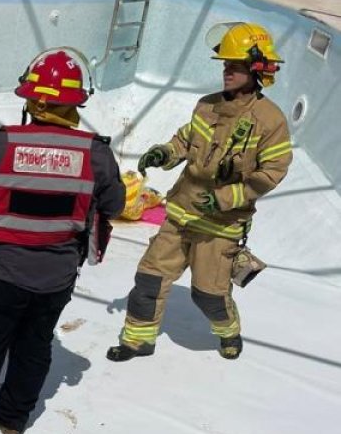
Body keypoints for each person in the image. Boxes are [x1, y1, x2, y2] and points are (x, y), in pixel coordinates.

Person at [0, 49, 126, 434]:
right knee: (34, 345)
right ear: (75, 103)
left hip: (1, 272)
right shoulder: (97, 153)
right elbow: (115, 206)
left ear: (32, 100)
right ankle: (12, 418)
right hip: (56, 277)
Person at [107, 22, 292, 364]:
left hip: (220, 225)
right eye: (225, 65)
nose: (226, 72)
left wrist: (223, 199)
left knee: (209, 294)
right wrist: (165, 152)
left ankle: (228, 331)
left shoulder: (271, 120)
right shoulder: (206, 106)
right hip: (181, 212)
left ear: (257, 70)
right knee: (149, 279)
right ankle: (137, 341)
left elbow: (272, 173)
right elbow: (187, 139)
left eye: (235, 66)